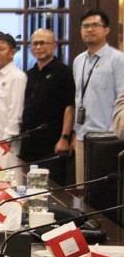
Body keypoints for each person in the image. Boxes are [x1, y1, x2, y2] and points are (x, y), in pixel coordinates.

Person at [72, 9, 124, 184]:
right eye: (85, 26)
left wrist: (113, 133)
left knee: (103, 190)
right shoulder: (79, 60)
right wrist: (75, 133)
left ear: (106, 30)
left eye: (94, 25)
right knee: (81, 189)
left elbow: (122, 98)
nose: (89, 29)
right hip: (82, 136)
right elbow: (78, 98)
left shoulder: (118, 60)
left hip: (107, 138)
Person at [20, 28, 75, 184]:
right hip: (29, 143)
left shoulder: (64, 72)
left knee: (51, 187)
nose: (38, 47)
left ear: (54, 46)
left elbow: (70, 106)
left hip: (52, 144)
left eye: (43, 43)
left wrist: (64, 137)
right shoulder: (29, 74)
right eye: (35, 44)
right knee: (26, 185)